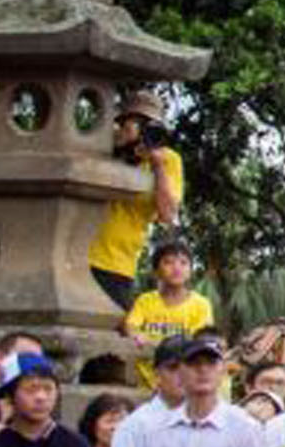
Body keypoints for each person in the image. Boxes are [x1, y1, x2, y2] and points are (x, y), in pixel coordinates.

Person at [88, 90, 185, 305]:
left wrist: (157, 165)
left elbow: (168, 214)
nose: (142, 132)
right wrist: (119, 147)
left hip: (116, 264)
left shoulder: (168, 159)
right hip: (77, 255)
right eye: (137, 123)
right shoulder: (104, 149)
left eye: (149, 125)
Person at [121, 238, 214, 389]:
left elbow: (198, 342)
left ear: (190, 271)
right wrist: (136, 335)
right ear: (156, 271)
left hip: (181, 385)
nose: (177, 268)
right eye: (168, 262)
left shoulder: (201, 305)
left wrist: (151, 342)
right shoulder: (146, 301)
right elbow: (130, 326)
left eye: (183, 263)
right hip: (144, 382)